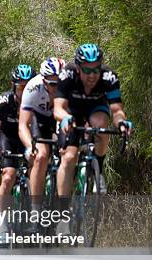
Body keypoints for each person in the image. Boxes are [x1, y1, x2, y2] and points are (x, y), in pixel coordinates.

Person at [53, 43, 133, 233]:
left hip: (96, 108)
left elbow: (117, 110)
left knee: (101, 127)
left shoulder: (109, 77)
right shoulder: (67, 75)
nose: (92, 75)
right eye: (87, 70)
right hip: (72, 112)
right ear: (78, 68)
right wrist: (65, 119)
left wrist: (122, 122)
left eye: (96, 69)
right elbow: (58, 108)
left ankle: (99, 168)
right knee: (69, 157)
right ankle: (63, 214)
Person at [0, 64, 36, 237]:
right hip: (8, 139)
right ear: (13, 85)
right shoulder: (3, 101)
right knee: (8, 177)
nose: (24, 90)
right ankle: (4, 225)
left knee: (36, 171)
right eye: (21, 86)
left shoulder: (39, 99)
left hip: (29, 138)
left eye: (28, 86)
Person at [18, 58, 65, 232]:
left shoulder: (68, 84)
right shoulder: (32, 87)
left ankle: (63, 213)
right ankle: (36, 213)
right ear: (44, 81)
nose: (57, 87)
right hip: (40, 120)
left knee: (67, 154)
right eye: (53, 84)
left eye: (60, 83)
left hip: (61, 118)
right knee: (41, 156)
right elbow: (23, 124)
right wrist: (30, 146)